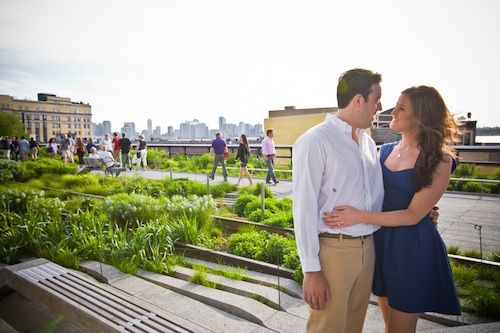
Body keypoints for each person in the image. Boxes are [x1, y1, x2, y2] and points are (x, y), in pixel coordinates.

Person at [323, 85, 461, 333]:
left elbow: (412, 215)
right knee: (389, 325)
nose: (393, 111)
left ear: (420, 116)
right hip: (382, 244)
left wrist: (357, 216)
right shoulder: (384, 151)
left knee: (401, 329)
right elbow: (366, 189)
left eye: (401, 107)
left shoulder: (441, 159)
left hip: (411, 248)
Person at [292, 68, 384, 333]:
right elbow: (303, 208)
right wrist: (311, 271)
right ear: (358, 100)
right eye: (376, 100)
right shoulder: (315, 140)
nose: (378, 107)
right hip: (334, 252)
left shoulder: (368, 144)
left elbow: (378, 195)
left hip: (368, 250)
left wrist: (422, 211)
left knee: (354, 328)